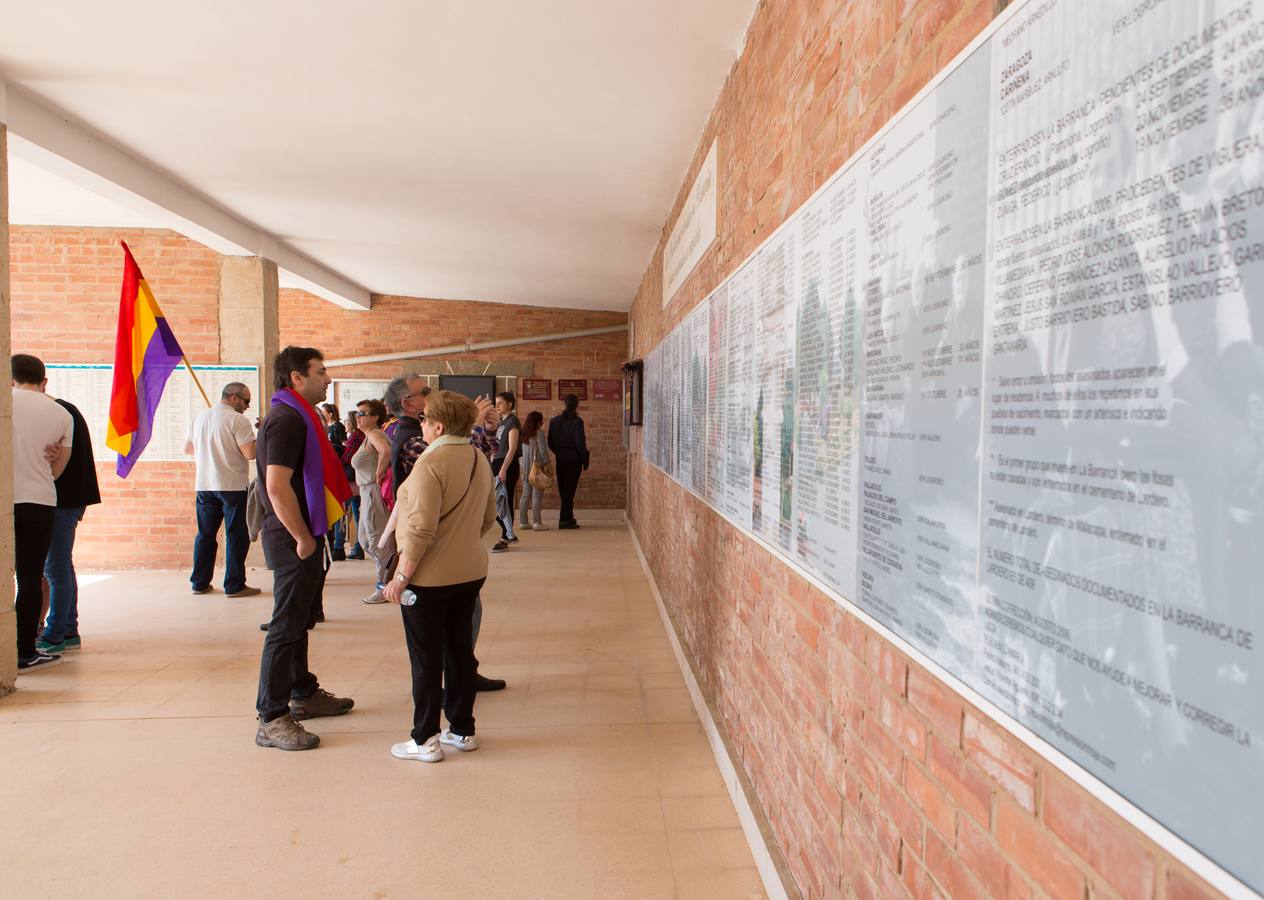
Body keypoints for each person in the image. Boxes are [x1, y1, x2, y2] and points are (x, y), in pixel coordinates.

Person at [383, 390, 497, 762]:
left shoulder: (429, 465)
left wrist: (401, 576)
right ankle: (462, 730)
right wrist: (461, 543)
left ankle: (424, 738)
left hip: (428, 580)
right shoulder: (479, 457)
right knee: (460, 651)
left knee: (426, 658)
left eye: (425, 420)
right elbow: (488, 518)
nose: (422, 426)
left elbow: (418, 529)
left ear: (439, 425)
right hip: (470, 571)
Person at [255, 346, 354, 751]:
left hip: (305, 533)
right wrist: (301, 538)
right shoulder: (286, 420)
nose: (327, 379)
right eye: (321, 372)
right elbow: (277, 487)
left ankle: (303, 692)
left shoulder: (300, 416)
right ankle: (272, 717)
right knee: (285, 626)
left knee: (300, 620)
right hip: (292, 536)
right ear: (296, 377)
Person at [11, 354, 73, 672]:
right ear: (43, 380)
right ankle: (24, 651)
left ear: (11, 378)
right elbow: (58, 469)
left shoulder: (6, 402)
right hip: (38, 500)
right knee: (31, 578)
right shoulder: (60, 412)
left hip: (5, 499)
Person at [35, 392, 101, 655]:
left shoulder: (59, 413)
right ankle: (68, 629)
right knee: (61, 565)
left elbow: (58, 457)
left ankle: (55, 635)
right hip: (68, 500)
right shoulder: (64, 410)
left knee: (55, 568)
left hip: (62, 501)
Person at [184, 382, 260, 597]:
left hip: (204, 485)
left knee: (205, 535)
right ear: (234, 398)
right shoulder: (238, 420)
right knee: (236, 535)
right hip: (232, 486)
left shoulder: (199, 418)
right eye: (246, 401)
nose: (247, 406)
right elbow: (250, 454)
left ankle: (199, 583)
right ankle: (234, 585)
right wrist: (261, 433)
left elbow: (188, 449)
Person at [351, 398, 393, 603]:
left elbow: (386, 450)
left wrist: (379, 473)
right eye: (357, 413)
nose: (358, 417)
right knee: (366, 540)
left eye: (363, 413)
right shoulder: (367, 436)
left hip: (373, 492)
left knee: (378, 541)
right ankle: (387, 579)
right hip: (365, 492)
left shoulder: (375, 433)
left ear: (375, 417)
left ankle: (384, 586)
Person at [548, 393, 588, 529]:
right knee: (569, 491)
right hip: (574, 460)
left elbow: (550, 443)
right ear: (577, 405)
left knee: (564, 490)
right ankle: (565, 519)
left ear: (565, 404)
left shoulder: (554, 421)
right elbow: (580, 444)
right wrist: (583, 459)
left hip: (561, 459)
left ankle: (567, 517)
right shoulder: (577, 422)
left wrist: (559, 453)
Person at [490, 391, 522, 552]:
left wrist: (503, 470)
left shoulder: (513, 421)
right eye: (496, 403)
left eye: (500, 403)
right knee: (495, 500)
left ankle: (507, 535)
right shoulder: (502, 422)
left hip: (507, 465)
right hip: (497, 463)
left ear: (509, 404)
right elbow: (497, 447)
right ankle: (508, 534)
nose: (497, 406)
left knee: (503, 500)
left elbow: (512, 448)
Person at [321, 403, 349, 561]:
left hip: (337, 471)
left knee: (340, 510)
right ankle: (334, 545)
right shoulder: (329, 427)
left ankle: (338, 545)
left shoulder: (336, 427)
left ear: (330, 414)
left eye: (325, 412)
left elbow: (343, 446)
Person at [518, 410, 550, 531]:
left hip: (525, 468)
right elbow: (542, 451)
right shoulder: (539, 433)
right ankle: (537, 522)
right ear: (537, 422)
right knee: (537, 496)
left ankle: (523, 522)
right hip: (536, 468)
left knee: (525, 495)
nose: (542, 422)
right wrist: (547, 465)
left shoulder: (523, 433)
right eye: (541, 420)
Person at [340, 410, 365, 559]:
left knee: (342, 514)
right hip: (359, 479)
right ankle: (358, 547)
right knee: (358, 515)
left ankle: (338, 546)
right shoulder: (361, 436)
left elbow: (347, 457)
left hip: (351, 480)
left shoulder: (355, 436)